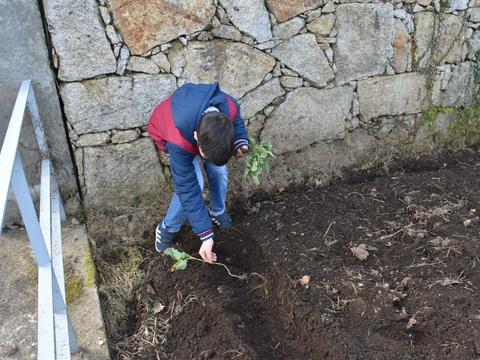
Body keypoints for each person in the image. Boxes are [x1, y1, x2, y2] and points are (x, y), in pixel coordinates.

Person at [147, 83, 249, 263]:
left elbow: (237, 121)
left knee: (219, 171)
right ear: (196, 137)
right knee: (196, 183)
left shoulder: (229, 107)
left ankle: (217, 211)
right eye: (204, 155)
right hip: (168, 132)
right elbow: (188, 189)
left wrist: (241, 141)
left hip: (193, 127)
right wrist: (206, 235)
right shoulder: (178, 142)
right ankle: (167, 228)